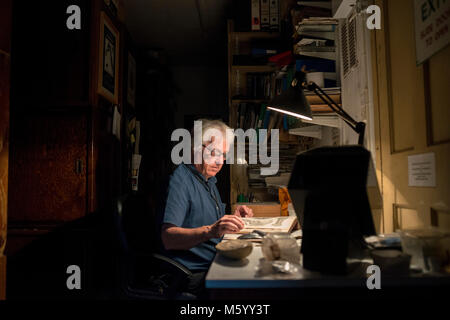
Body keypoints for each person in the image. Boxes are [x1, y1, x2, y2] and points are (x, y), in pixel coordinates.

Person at [160, 119, 253, 297]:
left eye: (224, 155)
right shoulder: (180, 181)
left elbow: (207, 223)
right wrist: (211, 231)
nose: (220, 162)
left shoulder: (208, 179)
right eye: (214, 153)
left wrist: (232, 218)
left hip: (214, 262)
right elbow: (168, 238)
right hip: (192, 274)